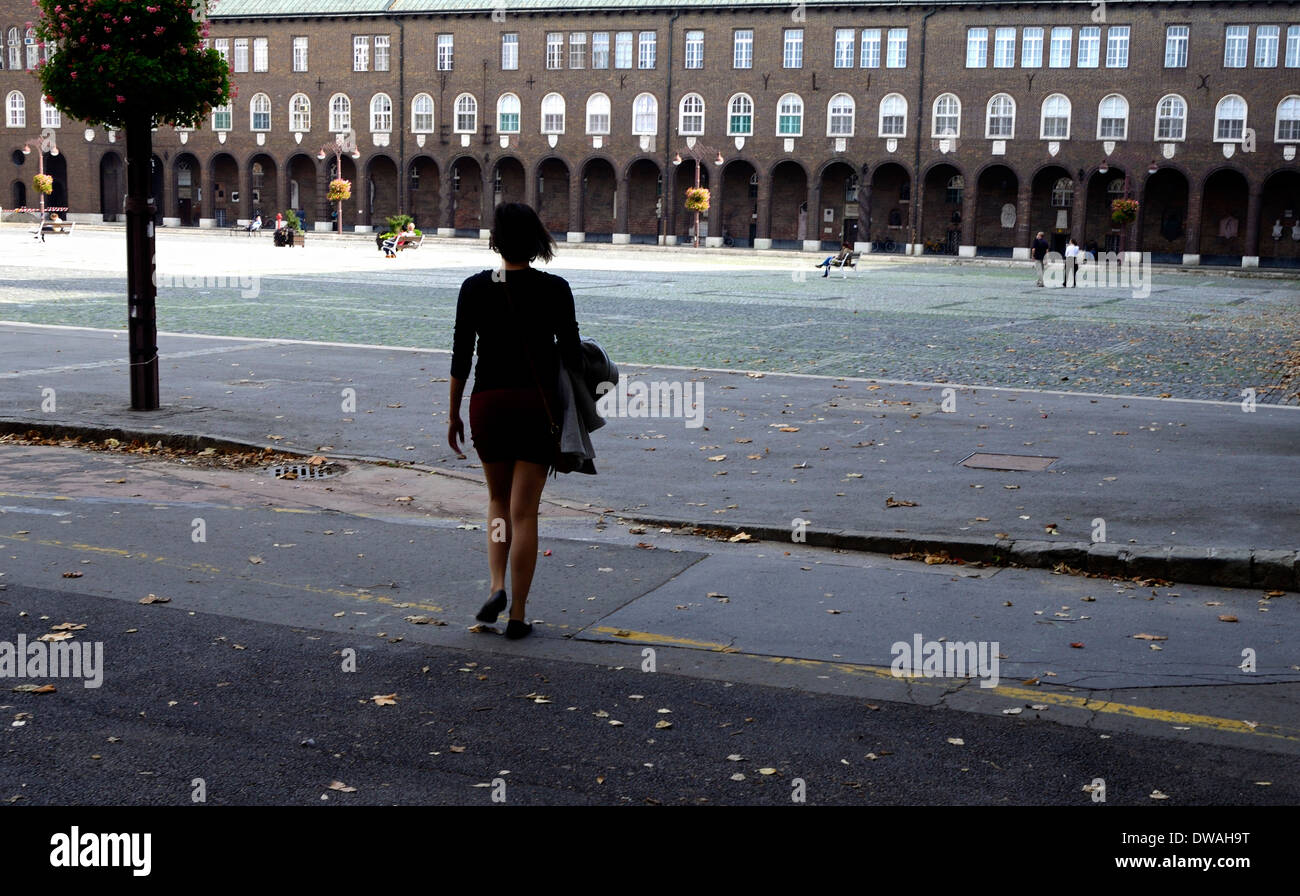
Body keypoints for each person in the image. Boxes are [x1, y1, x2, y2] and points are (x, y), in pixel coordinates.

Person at [448, 203, 582, 640]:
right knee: (526, 513)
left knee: (497, 503)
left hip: (488, 405)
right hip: (535, 408)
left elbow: (461, 357)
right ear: (537, 239)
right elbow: (574, 356)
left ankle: (496, 586)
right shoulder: (556, 289)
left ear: (496, 240)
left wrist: (452, 413)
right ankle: (519, 616)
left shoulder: (473, 288)